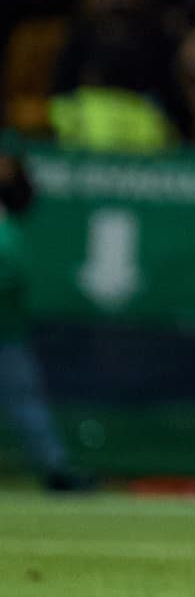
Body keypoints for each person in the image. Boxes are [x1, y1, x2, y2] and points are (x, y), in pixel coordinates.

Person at [0, 153, 95, 492]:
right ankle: (56, 468)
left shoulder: (7, 233)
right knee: (27, 405)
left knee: (27, 406)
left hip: (7, 338)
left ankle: (56, 469)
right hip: (8, 339)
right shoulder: (7, 235)